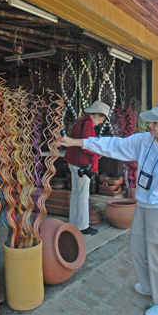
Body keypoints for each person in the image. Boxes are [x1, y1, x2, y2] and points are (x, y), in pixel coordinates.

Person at [60, 101, 158, 315]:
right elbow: (112, 145)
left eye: (154, 122)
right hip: (142, 205)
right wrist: (76, 142)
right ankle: (150, 286)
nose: (149, 125)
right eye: (149, 121)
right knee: (137, 249)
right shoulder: (144, 141)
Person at [63, 100, 110, 235]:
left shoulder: (81, 121)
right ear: (97, 115)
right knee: (83, 194)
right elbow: (88, 144)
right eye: (102, 118)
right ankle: (83, 225)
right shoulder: (88, 123)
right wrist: (98, 153)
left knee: (76, 193)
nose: (101, 122)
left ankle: (74, 222)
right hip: (81, 163)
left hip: (74, 161)